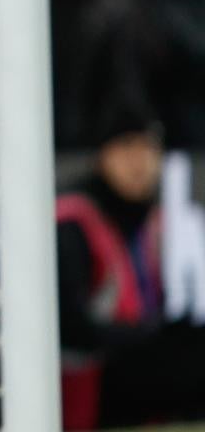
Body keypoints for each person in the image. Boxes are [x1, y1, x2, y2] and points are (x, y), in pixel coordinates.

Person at [56, 98, 205, 428]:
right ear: (102, 155)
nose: (139, 161)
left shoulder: (148, 221)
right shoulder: (73, 219)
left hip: (128, 365)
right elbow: (69, 326)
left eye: (147, 148)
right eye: (126, 147)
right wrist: (148, 337)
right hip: (86, 381)